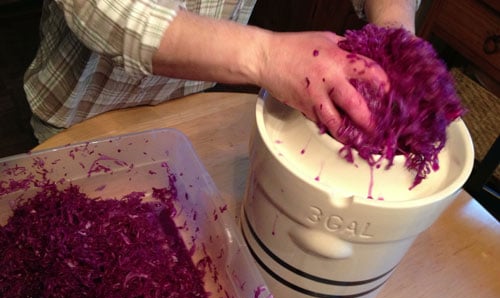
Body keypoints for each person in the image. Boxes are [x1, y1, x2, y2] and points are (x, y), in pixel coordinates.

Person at [24, 0, 420, 143]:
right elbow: (101, 9)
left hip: (194, 108)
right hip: (82, 116)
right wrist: (268, 55)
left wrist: (393, 31)